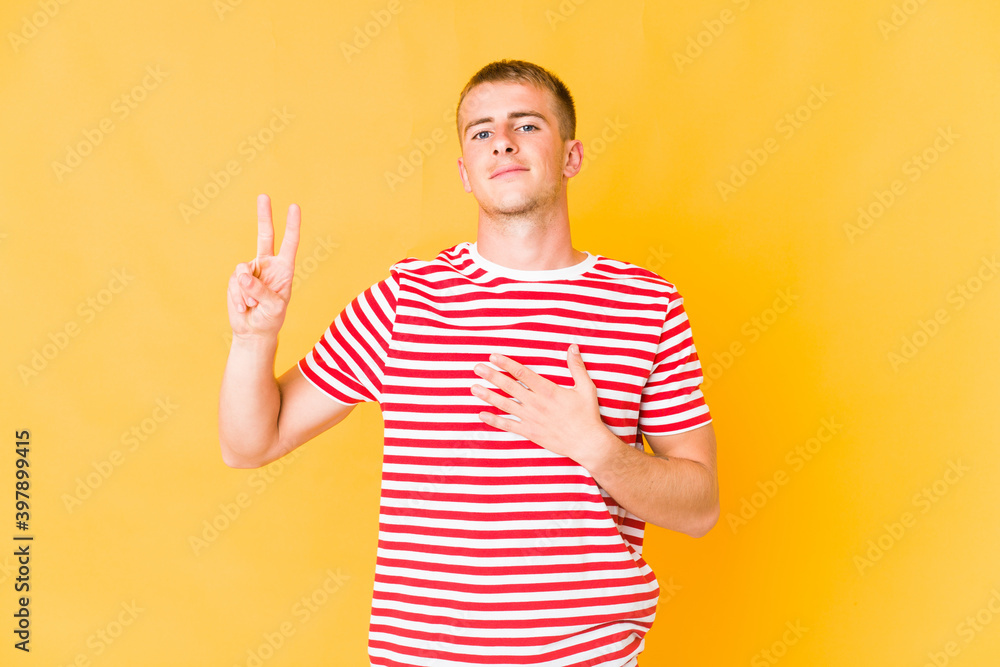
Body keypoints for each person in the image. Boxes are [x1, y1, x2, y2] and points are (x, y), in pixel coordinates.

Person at [219, 59, 719, 667]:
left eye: (526, 124)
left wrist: (595, 447)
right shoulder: (406, 299)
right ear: (464, 171)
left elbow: (700, 508)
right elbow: (250, 444)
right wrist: (254, 339)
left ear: (571, 156)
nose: (502, 141)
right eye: (482, 132)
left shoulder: (645, 304)